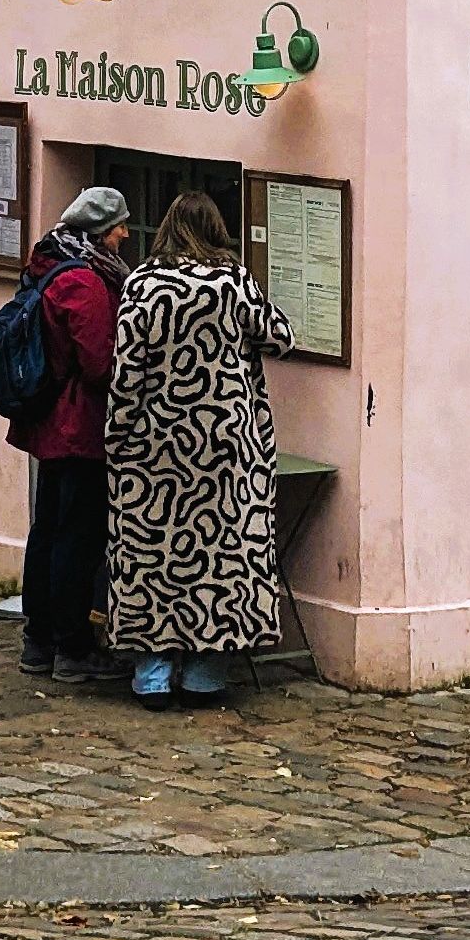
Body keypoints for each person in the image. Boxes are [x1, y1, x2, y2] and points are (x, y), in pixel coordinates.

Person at [106, 190, 293, 707]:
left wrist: (117, 436)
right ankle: (205, 673)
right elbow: (280, 335)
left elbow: (127, 370)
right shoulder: (233, 282)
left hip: (154, 442)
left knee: (151, 552)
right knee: (220, 556)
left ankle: (153, 673)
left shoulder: (141, 284)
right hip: (224, 443)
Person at [12, 187, 132, 683]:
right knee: (75, 536)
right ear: (100, 231)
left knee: (46, 530)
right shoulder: (84, 280)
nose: (126, 233)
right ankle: (71, 645)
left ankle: (38, 639)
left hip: (48, 421)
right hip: (77, 423)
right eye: (120, 225)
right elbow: (99, 362)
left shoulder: (48, 262)